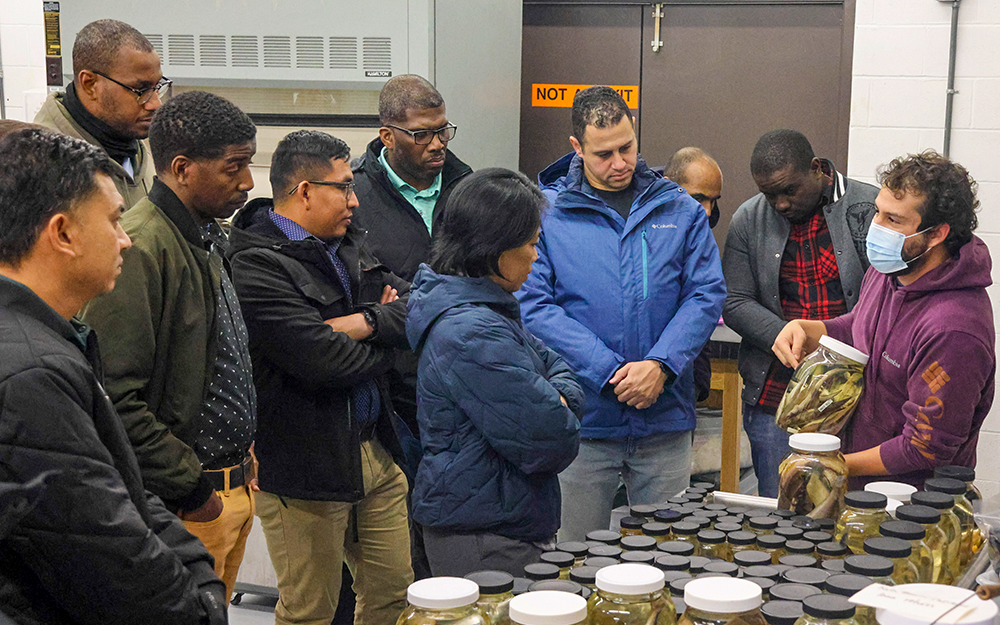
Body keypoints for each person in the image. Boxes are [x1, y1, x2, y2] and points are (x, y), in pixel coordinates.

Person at [0, 129, 226, 625]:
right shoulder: (31, 373)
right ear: (62, 233)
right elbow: (104, 553)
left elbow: (118, 486)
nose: (125, 239)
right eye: (113, 221)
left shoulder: (48, 341)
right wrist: (202, 602)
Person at [518, 86, 726, 542]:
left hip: (664, 415)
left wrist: (661, 365)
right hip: (584, 419)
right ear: (577, 148)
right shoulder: (547, 214)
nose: (620, 163)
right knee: (573, 559)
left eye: (627, 148)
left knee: (666, 556)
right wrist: (612, 372)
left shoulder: (680, 209)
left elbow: (706, 293)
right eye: (604, 153)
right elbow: (534, 306)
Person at [228, 130, 414, 625]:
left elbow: (419, 307)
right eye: (344, 188)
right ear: (305, 191)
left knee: (394, 597)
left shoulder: (352, 246)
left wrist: (363, 323)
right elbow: (323, 363)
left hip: (375, 452)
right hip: (304, 468)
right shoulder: (255, 267)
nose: (355, 201)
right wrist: (387, 337)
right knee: (312, 610)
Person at [81, 91, 257, 603]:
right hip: (185, 499)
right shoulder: (140, 248)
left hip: (232, 482)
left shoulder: (205, 237)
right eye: (234, 167)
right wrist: (191, 488)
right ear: (181, 168)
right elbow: (113, 395)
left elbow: (221, 358)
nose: (248, 182)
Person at [773, 150, 994, 490]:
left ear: (937, 234)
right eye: (878, 212)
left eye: (894, 221)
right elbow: (860, 327)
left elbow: (923, 448)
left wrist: (829, 465)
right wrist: (810, 329)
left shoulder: (955, 329)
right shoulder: (891, 270)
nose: (876, 228)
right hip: (859, 484)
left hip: (913, 507)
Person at [406, 168, 583, 576]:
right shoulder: (471, 331)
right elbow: (552, 437)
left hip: (496, 522)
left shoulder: (487, 310)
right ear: (494, 248)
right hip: (484, 536)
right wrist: (556, 398)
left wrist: (557, 394)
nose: (536, 257)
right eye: (532, 244)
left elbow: (559, 367)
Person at [722, 129, 877, 497]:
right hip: (779, 395)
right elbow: (734, 300)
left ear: (816, 168)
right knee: (784, 511)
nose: (779, 203)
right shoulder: (748, 219)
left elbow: (888, 299)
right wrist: (781, 332)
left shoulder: (869, 208)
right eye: (768, 194)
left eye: (788, 190)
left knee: (856, 506)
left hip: (858, 396)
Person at [34, 19, 168, 208]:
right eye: (141, 90)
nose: (155, 104)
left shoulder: (129, 141)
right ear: (90, 84)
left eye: (157, 87)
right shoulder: (44, 170)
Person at [665, 147, 725, 402]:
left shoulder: (699, 229)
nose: (708, 210)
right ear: (669, 186)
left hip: (685, 378)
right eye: (699, 198)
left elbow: (702, 300)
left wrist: (698, 383)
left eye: (714, 200)